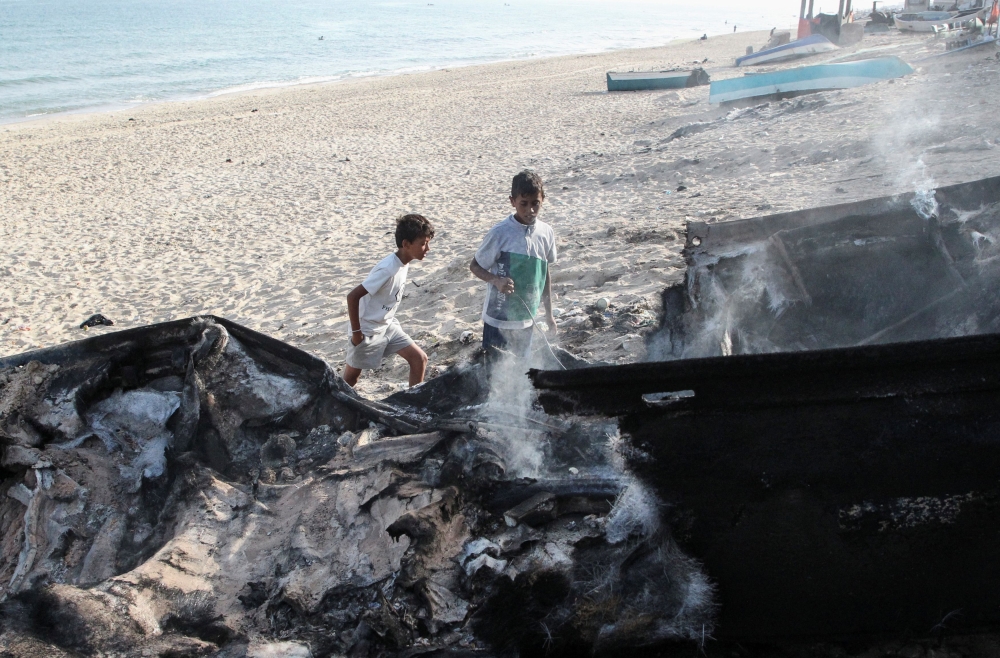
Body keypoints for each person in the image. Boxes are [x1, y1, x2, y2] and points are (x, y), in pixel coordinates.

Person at [469, 170, 557, 361]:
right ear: (512, 201)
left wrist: (549, 315)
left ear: (543, 200)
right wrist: (496, 281)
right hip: (498, 319)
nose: (530, 210)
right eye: (523, 204)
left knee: (521, 370)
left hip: (527, 319)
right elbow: (475, 265)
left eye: (536, 203)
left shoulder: (546, 233)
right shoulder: (500, 233)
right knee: (493, 371)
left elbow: (545, 273)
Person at [344, 214, 434, 388]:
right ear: (406, 244)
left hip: (387, 325)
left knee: (419, 359)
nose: (427, 248)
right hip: (367, 330)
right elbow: (353, 296)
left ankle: (412, 405)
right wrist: (356, 333)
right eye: (423, 243)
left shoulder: (403, 262)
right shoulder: (388, 269)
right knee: (350, 380)